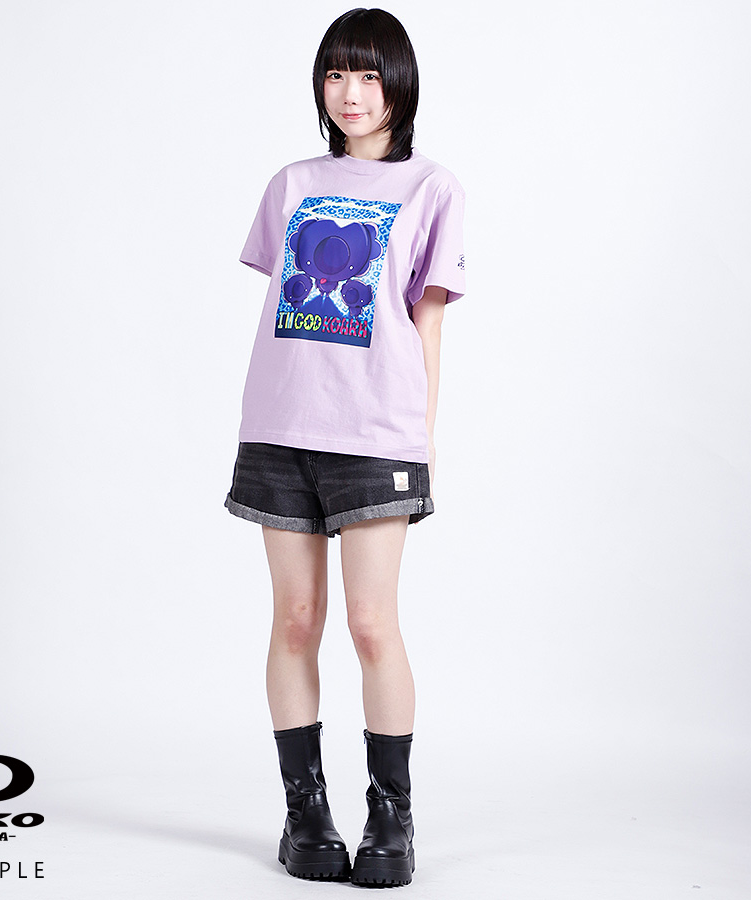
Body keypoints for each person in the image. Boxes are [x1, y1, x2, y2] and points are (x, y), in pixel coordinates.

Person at [224, 7, 465, 887]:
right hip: (280, 426)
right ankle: (306, 814)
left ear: (399, 83)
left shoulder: (433, 187)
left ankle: (391, 819)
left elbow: (426, 322)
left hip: (375, 433)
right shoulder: (292, 183)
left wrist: (421, 436)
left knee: (371, 624)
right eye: (335, 74)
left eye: (367, 74)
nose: (350, 92)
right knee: (295, 620)